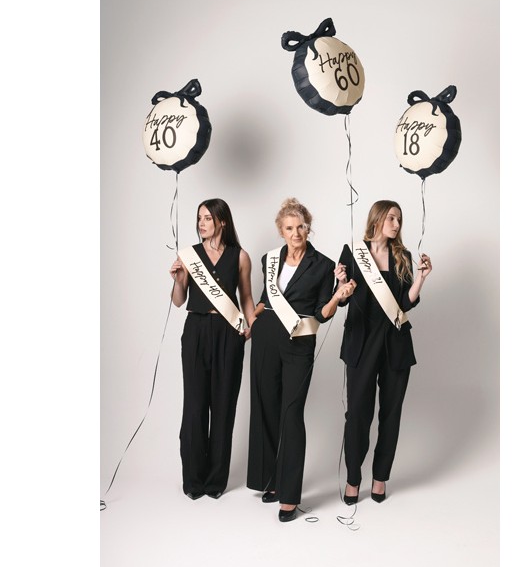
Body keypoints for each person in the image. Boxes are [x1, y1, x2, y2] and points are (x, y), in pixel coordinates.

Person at [246, 198, 356, 522]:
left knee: (291, 414)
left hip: (298, 345)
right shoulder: (269, 260)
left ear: (309, 228)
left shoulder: (322, 265)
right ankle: (272, 480)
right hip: (265, 339)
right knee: (266, 407)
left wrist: (338, 295)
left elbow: (322, 313)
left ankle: (290, 495)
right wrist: (251, 323)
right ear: (281, 231)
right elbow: (265, 301)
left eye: (301, 227)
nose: (296, 233)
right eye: (290, 228)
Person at [335, 200, 432, 504]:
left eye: (399, 219)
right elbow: (340, 299)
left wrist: (421, 279)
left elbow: (404, 303)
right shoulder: (353, 252)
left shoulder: (402, 255)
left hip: (395, 344)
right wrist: (341, 285)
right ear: (377, 219)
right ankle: (353, 479)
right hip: (361, 345)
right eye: (391, 218)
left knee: (391, 414)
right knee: (357, 415)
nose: (397, 224)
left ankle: (380, 478)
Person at [169, 198, 255, 500]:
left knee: (223, 406)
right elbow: (178, 300)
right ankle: (193, 481)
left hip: (228, 333)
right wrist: (179, 280)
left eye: (207, 218)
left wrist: (251, 325)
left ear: (222, 221)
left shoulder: (240, 256)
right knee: (194, 407)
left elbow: (246, 297)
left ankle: (216, 481)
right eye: (199, 218)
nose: (201, 224)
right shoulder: (188, 256)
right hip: (196, 331)